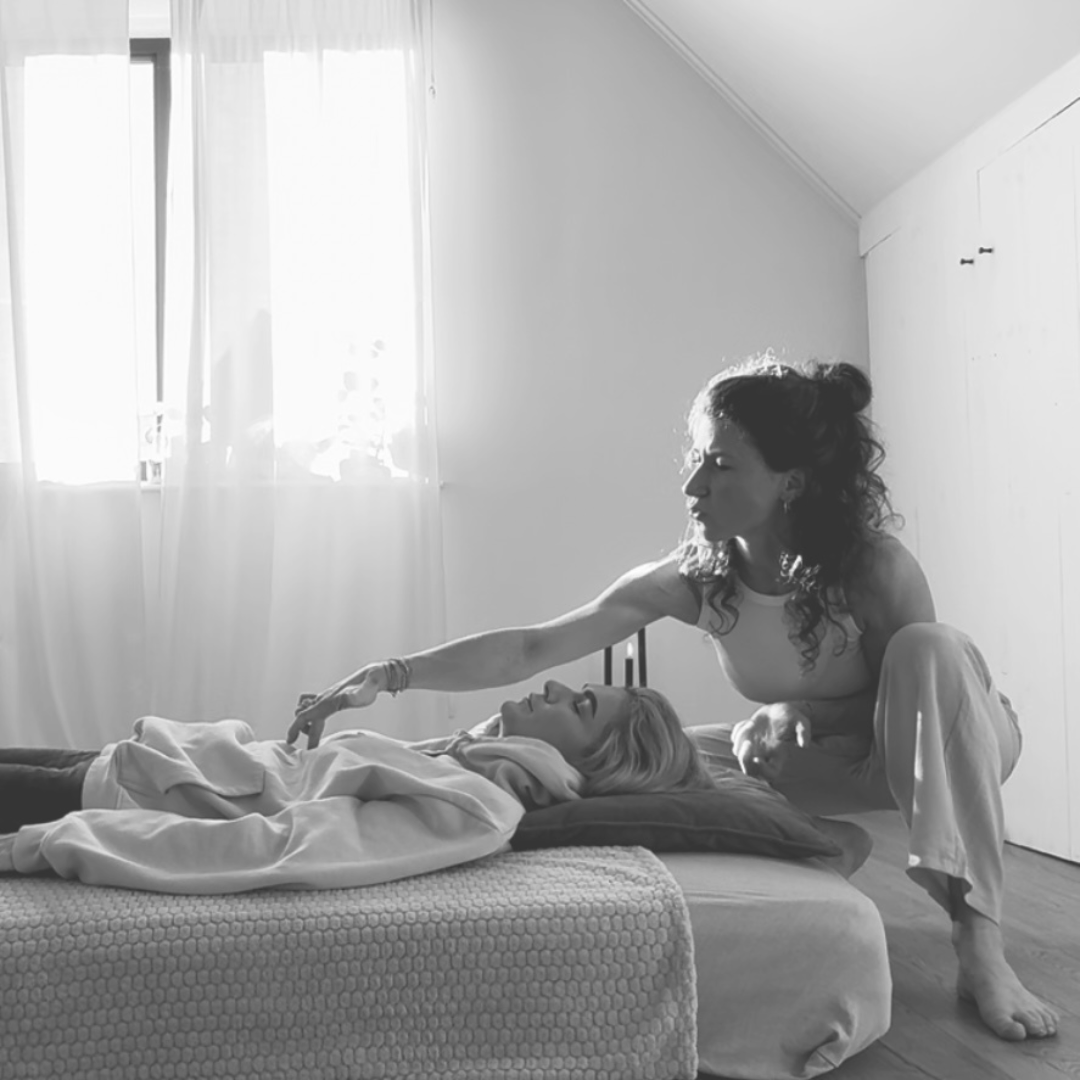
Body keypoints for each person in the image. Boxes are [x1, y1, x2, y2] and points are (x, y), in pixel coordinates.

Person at [291, 354, 1058, 1042]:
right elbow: (532, 647)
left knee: (930, 646)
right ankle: (826, 841)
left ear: (791, 482)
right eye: (697, 460)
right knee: (659, 750)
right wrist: (390, 673)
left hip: (946, 746)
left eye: (720, 465)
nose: (694, 485)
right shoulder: (696, 579)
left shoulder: (873, 567)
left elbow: (920, 703)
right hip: (817, 766)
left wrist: (800, 713)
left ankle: (979, 942)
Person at [0, 679, 711, 894]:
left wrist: (59, 842)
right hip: (139, 762)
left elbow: (283, 847)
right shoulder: (477, 763)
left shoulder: (482, 807)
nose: (554, 685)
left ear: (593, 764)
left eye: (581, 706)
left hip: (130, 794)